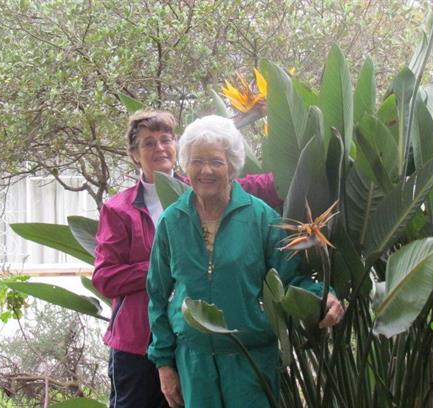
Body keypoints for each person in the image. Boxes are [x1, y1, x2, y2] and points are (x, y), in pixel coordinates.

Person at [147, 115, 344, 408]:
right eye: (197, 161)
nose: (206, 170)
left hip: (251, 361)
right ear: (186, 166)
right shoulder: (172, 221)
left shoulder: (261, 217)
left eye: (216, 161)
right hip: (195, 361)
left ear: (232, 166)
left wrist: (325, 296)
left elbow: (292, 278)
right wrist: (164, 362)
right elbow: (158, 295)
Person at [92, 110, 282, 408]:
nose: (159, 149)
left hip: (190, 341)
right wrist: (169, 266)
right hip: (139, 341)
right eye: (148, 143)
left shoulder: (202, 184)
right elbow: (105, 277)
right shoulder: (120, 209)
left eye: (165, 140)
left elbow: (247, 183)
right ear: (133, 154)